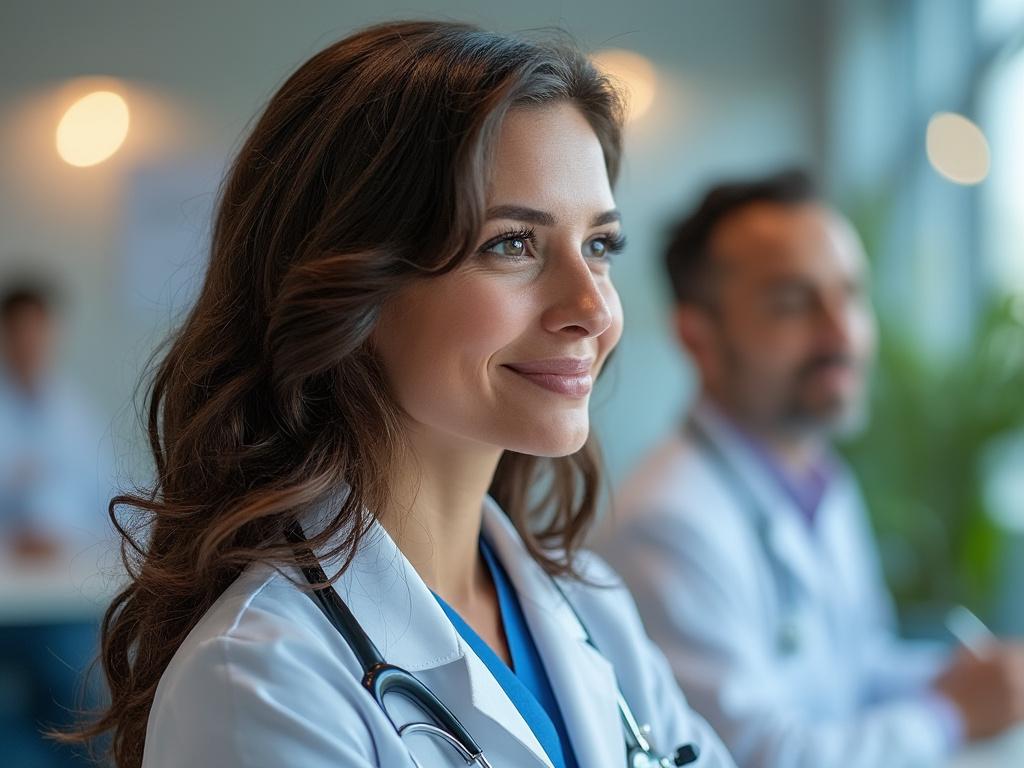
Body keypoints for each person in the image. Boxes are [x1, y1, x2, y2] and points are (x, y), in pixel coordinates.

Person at [66, 21, 737, 768]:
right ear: (351, 286)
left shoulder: (587, 604)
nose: (593, 308)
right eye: (512, 244)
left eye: (599, 246)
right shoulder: (261, 680)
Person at [591, 170, 1024, 768]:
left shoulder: (819, 480)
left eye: (850, 294)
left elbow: (852, 667)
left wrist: (973, 680)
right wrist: (949, 714)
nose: (840, 331)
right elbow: (757, 758)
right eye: (792, 302)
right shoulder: (666, 523)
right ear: (699, 337)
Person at [0, 282, 111, 767]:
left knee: (84, 691)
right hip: (9, 603)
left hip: (62, 596)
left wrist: (59, 535)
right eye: (19, 332)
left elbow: (108, 505)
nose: (30, 343)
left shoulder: (77, 414)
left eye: (38, 332)